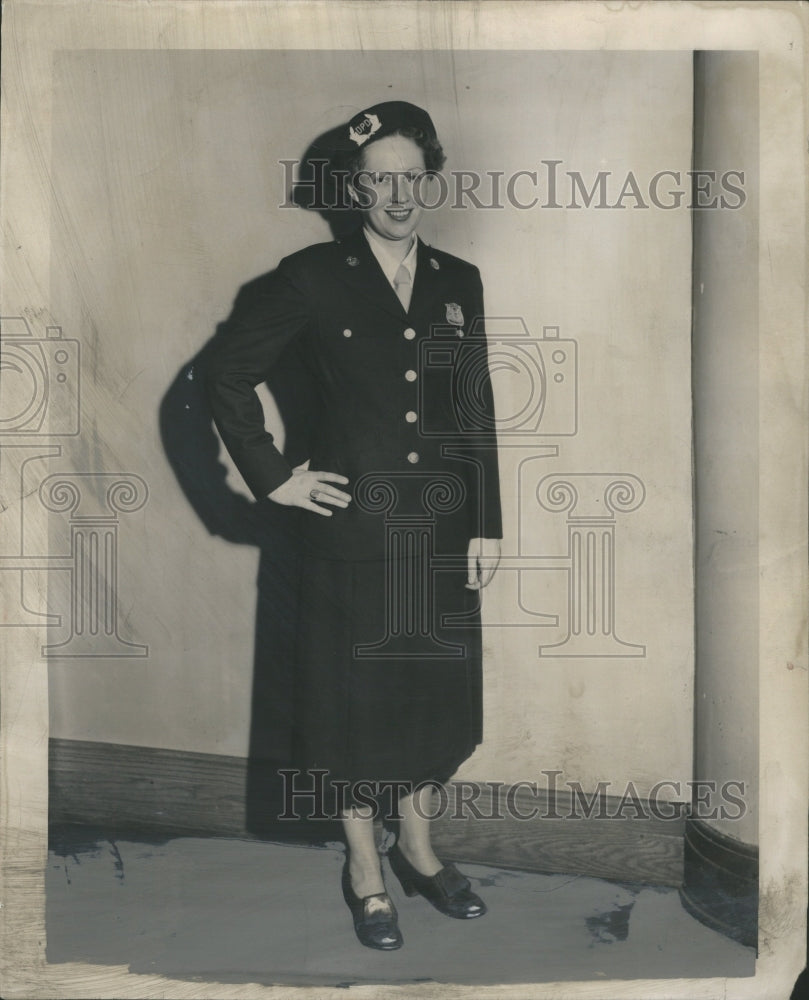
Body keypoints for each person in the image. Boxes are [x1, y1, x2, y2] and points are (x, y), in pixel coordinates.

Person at [206, 101, 502, 951]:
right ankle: (364, 868)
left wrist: (487, 523)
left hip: (440, 538)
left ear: (431, 179)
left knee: (426, 701)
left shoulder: (459, 280)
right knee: (349, 711)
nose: (398, 194)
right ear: (354, 187)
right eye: (380, 179)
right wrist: (273, 479)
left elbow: (472, 408)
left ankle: (418, 847)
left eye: (412, 176)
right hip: (348, 539)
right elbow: (225, 377)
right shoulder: (309, 276)